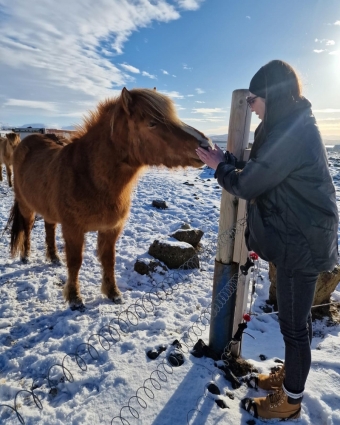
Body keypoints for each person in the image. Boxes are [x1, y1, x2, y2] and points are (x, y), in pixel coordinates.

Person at [196, 59, 339, 422]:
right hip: (299, 236)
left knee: (293, 326)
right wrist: (225, 160)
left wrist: (219, 169)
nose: (252, 109)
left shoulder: (292, 133)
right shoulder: (289, 126)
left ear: (270, 97)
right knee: (297, 321)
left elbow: (249, 183)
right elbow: (262, 169)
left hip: (302, 243)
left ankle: (290, 400)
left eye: (254, 101)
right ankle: (291, 376)